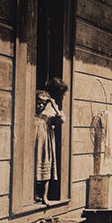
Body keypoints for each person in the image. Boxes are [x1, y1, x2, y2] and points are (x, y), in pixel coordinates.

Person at [35, 77, 68, 205]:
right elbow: (60, 118)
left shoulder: (51, 102)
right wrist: (52, 103)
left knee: (44, 161)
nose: (64, 97)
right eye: (63, 94)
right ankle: (41, 196)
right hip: (41, 132)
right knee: (43, 160)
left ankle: (42, 196)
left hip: (44, 132)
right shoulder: (45, 100)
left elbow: (59, 119)